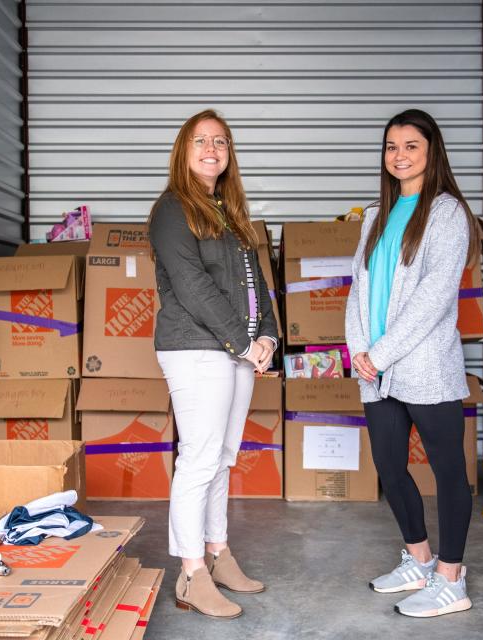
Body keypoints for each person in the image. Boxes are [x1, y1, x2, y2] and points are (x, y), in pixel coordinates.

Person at [345, 108, 483, 618]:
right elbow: (359, 287)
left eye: (410, 146)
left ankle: (451, 577)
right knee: (388, 464)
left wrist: (378, 353)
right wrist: (358, 349)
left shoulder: (446, 213)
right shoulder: (376, 217)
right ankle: (420, 558)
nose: (399, 156)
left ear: (431, 153)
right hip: (377, 369)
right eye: (391, 147)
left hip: (424, 364)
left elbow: (433, 297)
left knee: (448, 469)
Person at [148, 109, 279, 619]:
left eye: (220, 142)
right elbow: (192, 286)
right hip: (196, 347)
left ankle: (219, 554)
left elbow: (256, 283)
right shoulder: (172, 210)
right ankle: (191, 572)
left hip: (236, 349)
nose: (211, 149)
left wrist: (266, 334)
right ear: (183, 151)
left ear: (229, 153)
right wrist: (243, 343)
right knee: (199, 461)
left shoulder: (229, 209)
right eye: (200, 141)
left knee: (222, 457)